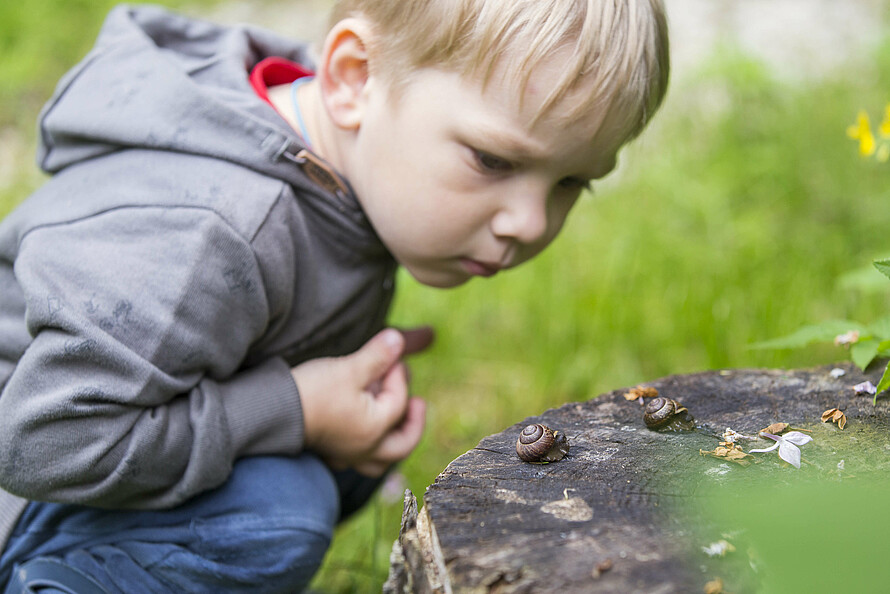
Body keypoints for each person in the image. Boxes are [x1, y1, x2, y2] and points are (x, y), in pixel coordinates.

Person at [0, 0, 669, 591]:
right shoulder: (212, 231)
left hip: (85, 461)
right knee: (279, 514)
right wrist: (296, 409)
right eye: (493, 160)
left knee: (346, 453)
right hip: (27, 490)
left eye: (572, 183)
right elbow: (44, 440)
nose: (530, 222)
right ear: (354, 78)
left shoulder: (346, 143)